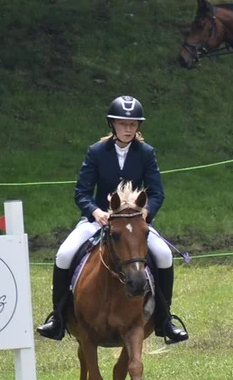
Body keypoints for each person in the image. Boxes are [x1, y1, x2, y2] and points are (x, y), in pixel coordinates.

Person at [36, 96, 188, 344]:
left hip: (132, 224)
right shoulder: (96, 152)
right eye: (122, 123)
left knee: (164, 255)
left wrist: (145, 214)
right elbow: (81, 193)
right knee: (64, 254)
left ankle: (165, 320)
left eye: (132, 124)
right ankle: (58, 319)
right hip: (98, 220)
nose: (128, 129)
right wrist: (96, 212)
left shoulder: (146, 153)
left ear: (138, 127)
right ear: (112, 125)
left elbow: (157, 192)